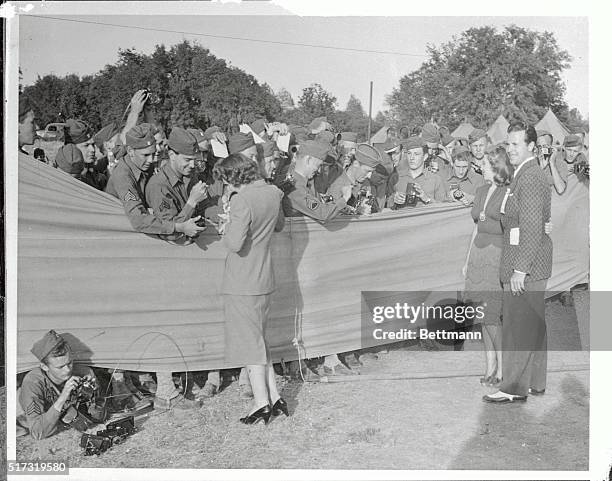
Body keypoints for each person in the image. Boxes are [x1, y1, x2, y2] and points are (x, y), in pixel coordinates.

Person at [213, 153, 287, 424]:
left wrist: (225, 223)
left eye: (225, 181)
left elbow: (233, 244)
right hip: (265, 278)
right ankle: (276, 397)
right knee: (260, 342)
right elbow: (278, 226)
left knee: (250, 346)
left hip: (242, 281)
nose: (225, 186)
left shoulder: (241, 199)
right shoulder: (272, 192)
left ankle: (261, 403)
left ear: (233, 177)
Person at [483, 122, 553, 404]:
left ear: (531, 147)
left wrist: (520, 269)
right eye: (508, 144)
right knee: (533, 326)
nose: (510, 149)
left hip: (526, 266)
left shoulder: (531, 176)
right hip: (529, 262)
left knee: (518, 326)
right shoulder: (522, 175)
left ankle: (512, 388)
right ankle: (535, 382)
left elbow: (532, 227)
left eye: (516, 144)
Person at [462, 147, 513, 387]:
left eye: (485, 163)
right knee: (483, 316)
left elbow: (513, 230)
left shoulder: (508, 193)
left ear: (496, 167)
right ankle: (489, 365)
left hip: (496, 256)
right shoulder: (481, 190)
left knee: (492, 315)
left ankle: (502, 368)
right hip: (478, 257)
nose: (480, 166)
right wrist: (467, 260)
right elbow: (476, 227)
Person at [18, 330, 98, 439]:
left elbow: (98, 416)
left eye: (69, 363)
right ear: (44, 367)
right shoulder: (32, 384)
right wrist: (63, 396)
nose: (67, 370)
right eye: (60, 367)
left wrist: (93, 394)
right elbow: (38, 433)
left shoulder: (84, 372)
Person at [281, 140, 352, 222]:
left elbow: (320, 206)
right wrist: (345, 198)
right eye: (318, 165)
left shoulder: (307, 183)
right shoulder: (294, 188)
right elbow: (323, 214)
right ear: (308, 160)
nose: (318, 171)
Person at [386, 136, 448, 208]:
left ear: (425, 157)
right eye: (409, 153)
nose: (412, 158)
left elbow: (443, 209)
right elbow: (387, 207)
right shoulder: (396, 178)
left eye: (416, 154)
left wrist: (427, 199)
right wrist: (394, 200)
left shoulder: (436, 180)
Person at [536, 130, 567, 195]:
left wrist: (552, 163)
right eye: (539, 146)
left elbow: (560, 189)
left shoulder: (561, 164)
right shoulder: (531, 163)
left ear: (551, 146)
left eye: (545, 146)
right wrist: (541, 169)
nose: (542, 149)